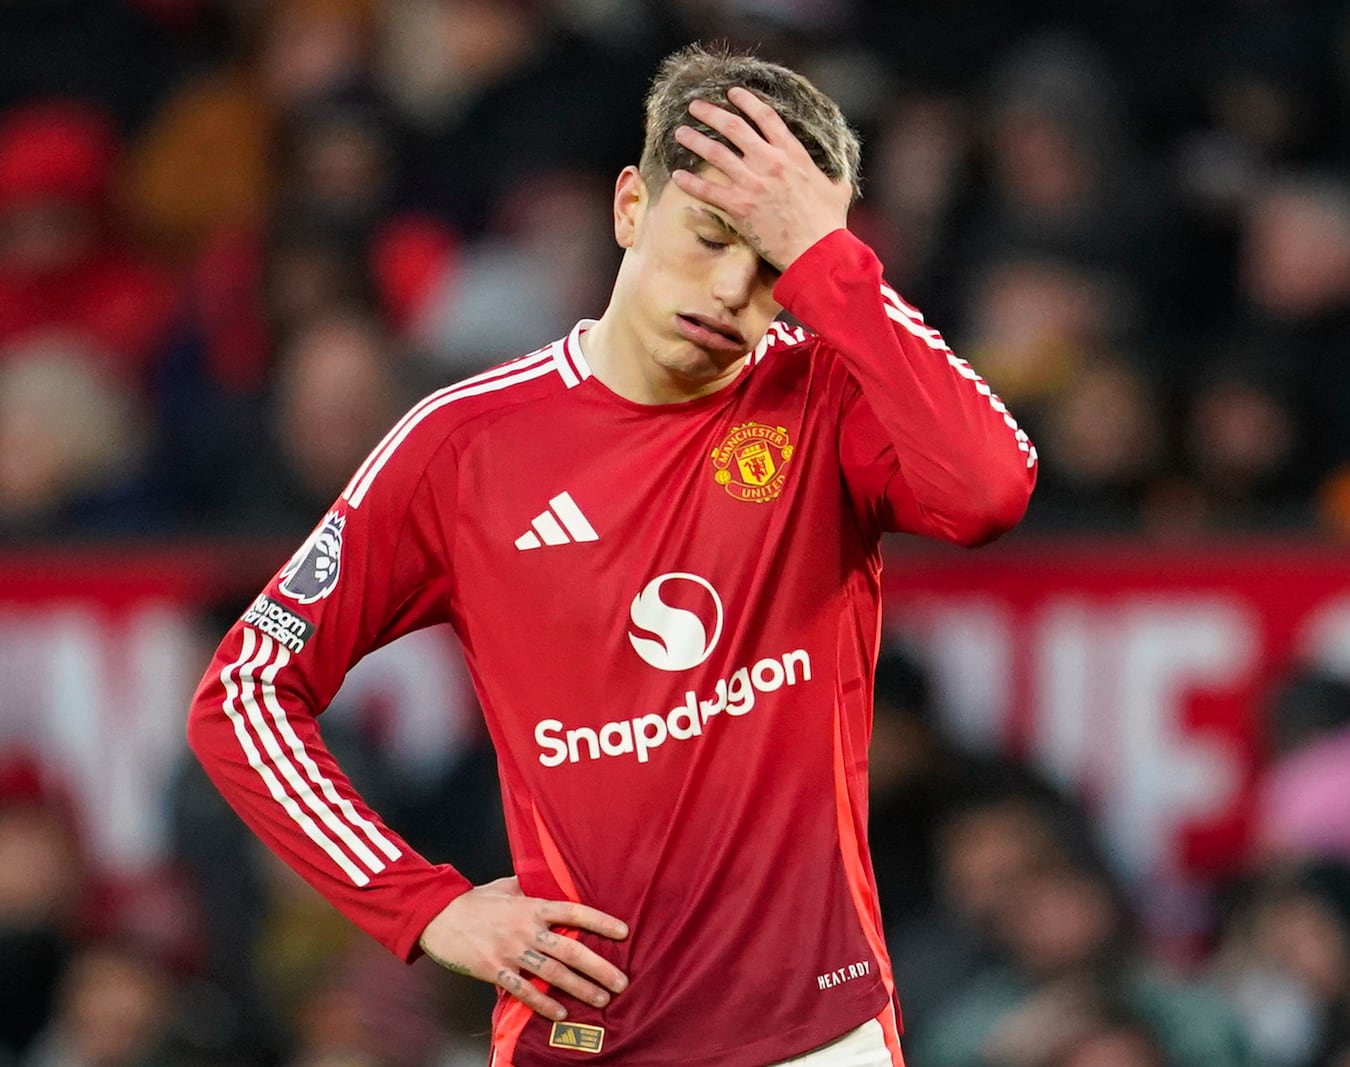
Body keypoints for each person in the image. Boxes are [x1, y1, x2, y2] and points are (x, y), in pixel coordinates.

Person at [186, 44, 1036, 1067]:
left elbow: (988, 489)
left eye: (772, 263)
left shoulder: (825, 395)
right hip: (584, 1040)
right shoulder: (465, 444)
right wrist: (427, 907)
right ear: (631, 206)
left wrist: (833, 265)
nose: (732, 289)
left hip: (820, 1035)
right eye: (710, 236)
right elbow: (243, 692)